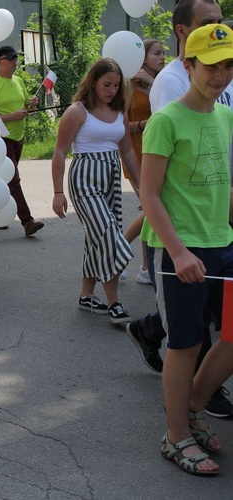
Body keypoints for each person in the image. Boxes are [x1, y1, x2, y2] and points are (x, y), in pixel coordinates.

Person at [129, 0, 233, 418]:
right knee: (186, 344)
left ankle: (193, 404)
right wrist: (177, 251)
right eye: (210, 66)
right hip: (180, 250)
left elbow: (224, 186)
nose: (220, 75)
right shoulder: (167, 120)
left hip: (221, 242)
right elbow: (150, 195)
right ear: (188, 65)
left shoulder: (226, 118)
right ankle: (177, 433)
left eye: (228, 66)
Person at [51, 58, 140, 325]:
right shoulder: (77, 111)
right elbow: (59, 152)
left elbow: (128, 153)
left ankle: (86, 295)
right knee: (108, 236)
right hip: (84, 180)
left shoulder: (120, 113)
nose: (112, 90)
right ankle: (114, 302)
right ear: (93, 82)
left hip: (111, 179)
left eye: (116, 85)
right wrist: (57, 192)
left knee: (96, 238)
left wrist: (142, 190)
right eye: (106, 84)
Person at [0, 46, 45, 238]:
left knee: (3, 180)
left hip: (19, 137)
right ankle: (27, 221)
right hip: (2, 137)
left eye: (16, 58)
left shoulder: (18, 81)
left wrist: (32, 105)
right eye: (11, 58)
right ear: (0, 62)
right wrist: (11, 116)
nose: (15, 61)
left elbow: (25, 107)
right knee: (13, 179)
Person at [123, 39, 165, 285]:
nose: (162, 58)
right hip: (138, 154)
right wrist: (141, 124)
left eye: (163, 53)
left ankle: (145, 266)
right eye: (156, 53)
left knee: (155, 209)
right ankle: (129, 256)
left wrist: (152, 83)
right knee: (152, 209)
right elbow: (119, 126)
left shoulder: (166, 81)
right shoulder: (129, 87)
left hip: (161, 151)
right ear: (143, 58)